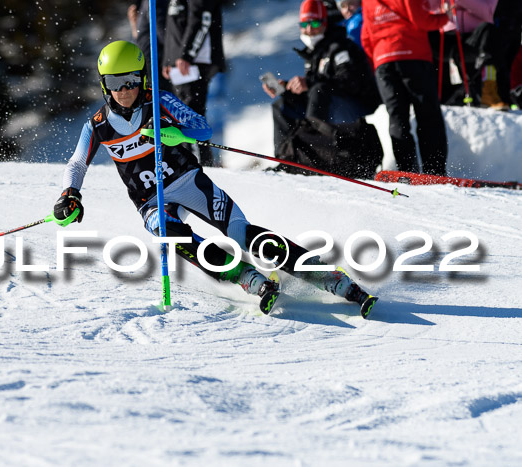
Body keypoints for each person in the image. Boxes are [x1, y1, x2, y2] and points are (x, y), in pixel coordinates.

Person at [52, 40, 378, 317]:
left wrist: (173, 134)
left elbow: (202, 129)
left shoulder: (160, 101)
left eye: (131, 81)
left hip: (188, 181)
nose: (124, 91)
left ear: (141, 77)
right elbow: (77, 163)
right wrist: (70, 194)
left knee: (242, 233)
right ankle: (245, 277)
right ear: (103, 85)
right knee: (171, 233)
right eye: (115, 83)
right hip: (151, 201)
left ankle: (323, 275)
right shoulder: (97, 125)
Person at [263, 0, 379, 156]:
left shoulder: (339, 46)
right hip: (330, 106)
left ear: (325, 23)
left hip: (357, 108)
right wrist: (288, 89)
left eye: (315, 24)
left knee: (319, 90)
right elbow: (313, 90)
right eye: (305, 25)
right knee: (282, 105)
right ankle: (287, 157)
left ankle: (319, 154)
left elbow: (350, 82)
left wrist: (310, 84)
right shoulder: (314, 54)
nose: (310, 29)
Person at [361, 0, 449, 175]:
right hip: (412, 54)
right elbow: (420, 20)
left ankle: (406, 171)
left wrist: (378, 60)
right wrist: (444, 18)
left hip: (383, 61)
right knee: (428, 115)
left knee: (397, 117)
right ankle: (434, 171)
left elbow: (366, 35)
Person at [162, 0, 225, 167]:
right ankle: (188, 163)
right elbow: (173, 28)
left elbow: (202, 20)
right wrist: (169, 60)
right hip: (180, 66)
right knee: (180, 117)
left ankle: (202, 165)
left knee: (192, 118)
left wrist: (186, 55)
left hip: (195, 63)